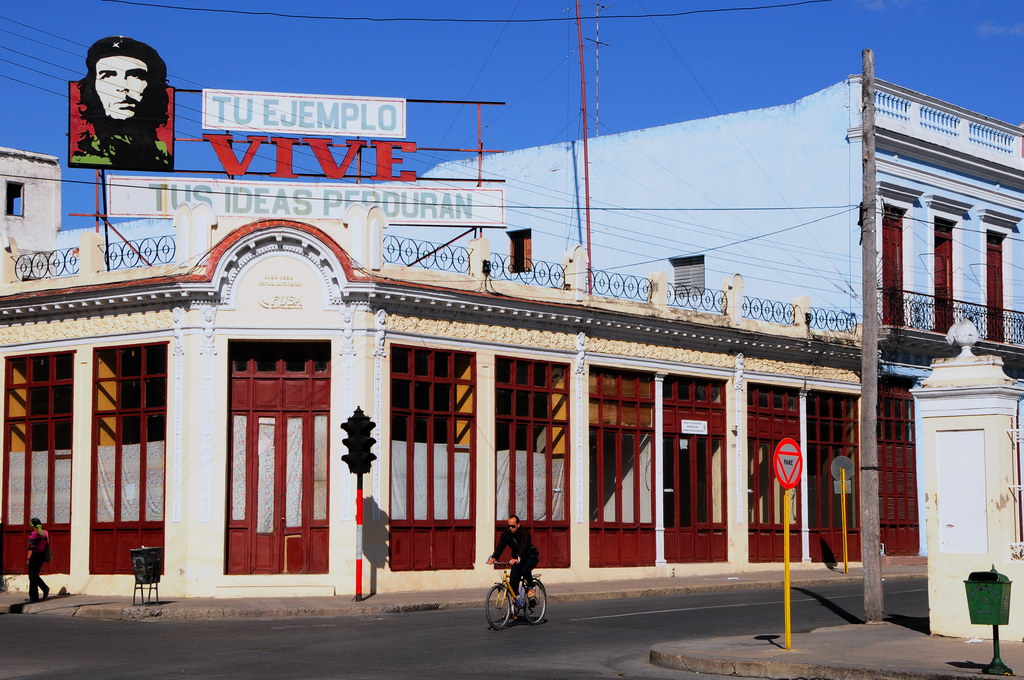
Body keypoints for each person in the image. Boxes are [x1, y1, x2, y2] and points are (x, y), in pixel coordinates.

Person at [70, 35, 172, 171]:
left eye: (135, 75)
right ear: (92, 86)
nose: (122, 86)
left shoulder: (163, 155)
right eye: (107, 75)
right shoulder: (83, 154)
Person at [486, 515, 539, 603]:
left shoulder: (524, 532)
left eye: (512, 526)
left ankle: (531, 587)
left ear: (518, 524)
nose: (510, 528)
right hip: (517, 559)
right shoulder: (507, 534)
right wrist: (494, 557)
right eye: (509, 526)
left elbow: (524, 546)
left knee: (525, 570)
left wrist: (518, 557)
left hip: (530, 556)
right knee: (513, 579)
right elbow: (501, 546)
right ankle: (517, 600)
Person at [26, 517, 50, 602]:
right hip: (41, 556)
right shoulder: (45, 533)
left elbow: (31, 548)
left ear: (33, 525)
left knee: (32, 576)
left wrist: (28, 559)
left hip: (34, 556)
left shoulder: (33, 534)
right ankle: (40, 592)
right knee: (34, 575)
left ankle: (35, 595)